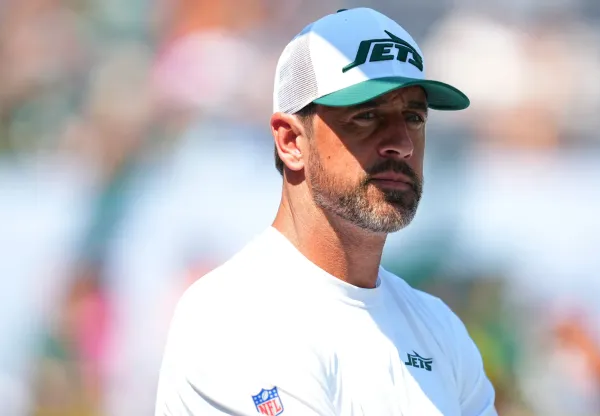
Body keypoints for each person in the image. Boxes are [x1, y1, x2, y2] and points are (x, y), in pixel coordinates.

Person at [155, 7, 497, 416]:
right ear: (291, 142)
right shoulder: (231, 315)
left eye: (413, 117)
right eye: (367, 116)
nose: (402, 143)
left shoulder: (438, 329)